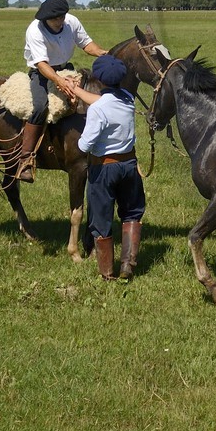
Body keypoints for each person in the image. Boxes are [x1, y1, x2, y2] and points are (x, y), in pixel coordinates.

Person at [67, 54, 146, 281]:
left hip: (104, 168)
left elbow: (85, 144)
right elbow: (101, 99)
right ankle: (128, 264)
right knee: (132, 212)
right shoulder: (128, 98)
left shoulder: (98, 110)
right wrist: (79, 91)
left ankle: (107, 272)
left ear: (99, 81)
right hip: (129, 165)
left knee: (101, 219)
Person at [14, 0, 105, 182]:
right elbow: (41, 63)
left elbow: (86, 44)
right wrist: (59, 81)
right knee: (39, 106)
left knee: (84, 101)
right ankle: (25, 159)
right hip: (42, 72)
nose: (58, 21)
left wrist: (105, 54)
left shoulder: (72, 22)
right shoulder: (35, 30)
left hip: (66, 68)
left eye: (60, 17)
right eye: (53, 19)